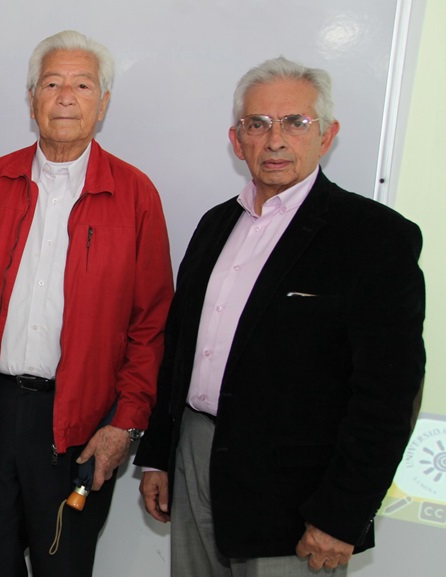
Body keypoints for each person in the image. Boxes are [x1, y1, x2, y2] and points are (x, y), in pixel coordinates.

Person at [134, 57, 425, 577]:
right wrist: (159, 456)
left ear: (327, 135)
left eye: (296, 122)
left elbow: (389, 395)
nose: (275, 140)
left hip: (297, 496)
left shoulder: (374, 238)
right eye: (258, 124)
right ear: (236, 137)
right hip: (196, 459)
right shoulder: (215, 225)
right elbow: (177, 349)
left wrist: (342, 516)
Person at [0, 30, 174, 577]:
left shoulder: (136, 195)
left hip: (81, 427)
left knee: (62, 567)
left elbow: (149, 327)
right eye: (52, 83)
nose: (66, 96)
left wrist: (124, 427)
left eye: (82, 84)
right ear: (31, 98)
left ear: (103, 102)